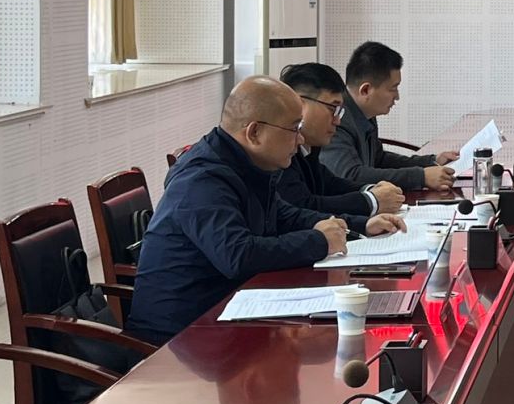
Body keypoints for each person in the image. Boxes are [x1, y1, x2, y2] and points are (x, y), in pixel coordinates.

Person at [125, 76, 404, 345]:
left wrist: (359, 225)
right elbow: (238, 255)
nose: (300, 140)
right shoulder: (201, 180)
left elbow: (285, 215)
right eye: (294, 129)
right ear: (255, 132)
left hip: (226, 314)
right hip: (178, 339)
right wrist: (319, 241)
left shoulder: (247, 163)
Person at [277, 62, 411, 221]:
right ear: (299, 104)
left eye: (339, 112)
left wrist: (372, 189)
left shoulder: (309, 147)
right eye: (332, 109)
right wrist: (372, 201)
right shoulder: (278, 151)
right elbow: (303, 206)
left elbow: (330, 184)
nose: (337, 121)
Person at [321, 41, 459, 192]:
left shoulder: (365, 113)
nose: (397, 96)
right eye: (393, 88)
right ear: (366, 90)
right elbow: (351, 175)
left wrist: (431, 161)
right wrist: (421, 177)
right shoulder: (337, 119)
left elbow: (379, 159)